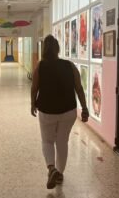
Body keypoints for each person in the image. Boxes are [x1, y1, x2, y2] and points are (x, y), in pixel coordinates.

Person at [31, 35, 89, 189]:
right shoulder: (69, 65)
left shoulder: (40, 66)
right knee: (62, 141)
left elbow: (34, 87)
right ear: (58, 49)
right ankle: (60, 174)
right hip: (68, 110)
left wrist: (32, 104)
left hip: (47, 110)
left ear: (44, 50)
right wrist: (84, 108)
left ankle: (52, 169)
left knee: (47, 141)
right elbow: (79, 88)